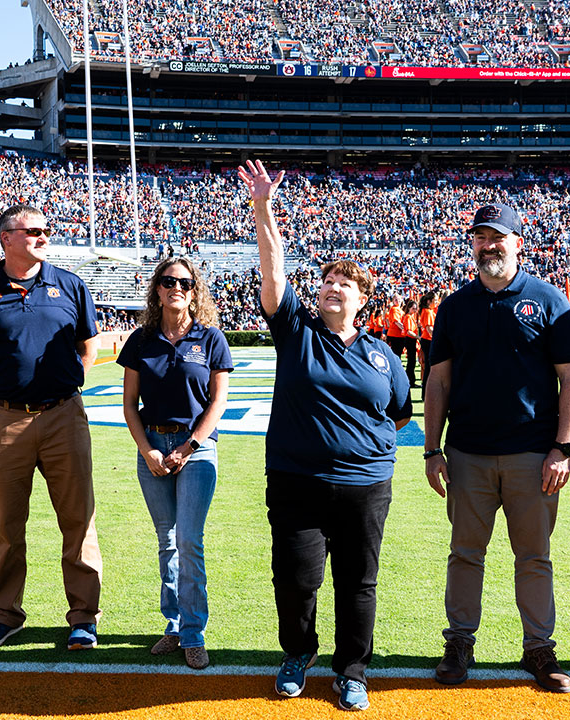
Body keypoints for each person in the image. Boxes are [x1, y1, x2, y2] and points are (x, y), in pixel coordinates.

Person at [240, 160, 412, 712]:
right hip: (297, 480)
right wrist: (263, 206)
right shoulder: (296, 331)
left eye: (345, 284)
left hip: (365, 485)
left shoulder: (383, 355)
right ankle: (298, 652)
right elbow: (272, 273)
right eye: (327, 283)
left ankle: (353, 668)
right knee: (295, 577)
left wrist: (363, 449)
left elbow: (401, 415)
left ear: (364, 300)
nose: (332, 288)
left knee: (358, 583)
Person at [423, 202, 570, 693]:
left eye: (498, 237)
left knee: (534, 556)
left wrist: (563, 447)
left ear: (519, 242)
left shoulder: (551, 301)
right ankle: (460, 642)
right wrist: (432, 449)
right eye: (480, 237)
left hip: (532, 455)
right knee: (465, 553)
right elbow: (438, 382)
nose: (488, 245)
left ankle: (538, 646)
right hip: (468, 453)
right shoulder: (454, 305)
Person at [0, 204, 103, 652]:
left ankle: (83, 616)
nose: (43, 236)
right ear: (6, 238)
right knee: (5, 523)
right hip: (4, 420)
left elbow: (88, 348)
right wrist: (9, 396)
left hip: (63, 416)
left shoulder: (70, 285)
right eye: (32, 231)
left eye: (44, 230)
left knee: (79, 520)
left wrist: (55, 389)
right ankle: (6, 613)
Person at [118, 257, 232, 670]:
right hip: (151, 444)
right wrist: (147, 448)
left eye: (184, 281)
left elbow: (218, 402)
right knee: (166, 540)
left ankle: (194, 632)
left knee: (189, 538)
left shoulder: (211, 338)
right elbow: (130, 405)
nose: (176, 287)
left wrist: (189, 446)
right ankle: (174, 624)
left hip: (196, 449)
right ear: (157, 289)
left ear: (195, 290)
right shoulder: (140, 340)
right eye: (168, 281)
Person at [418, 292, 437, 390]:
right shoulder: (428, 312)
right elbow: (430, 329)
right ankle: (426, 391)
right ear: (429, 301)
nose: (437, 302)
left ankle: (425, 391)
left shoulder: (426, 311)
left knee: (428, 368)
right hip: (428, 340)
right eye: (435, 300)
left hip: (426, 340)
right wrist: (437, 339)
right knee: (429, 368)